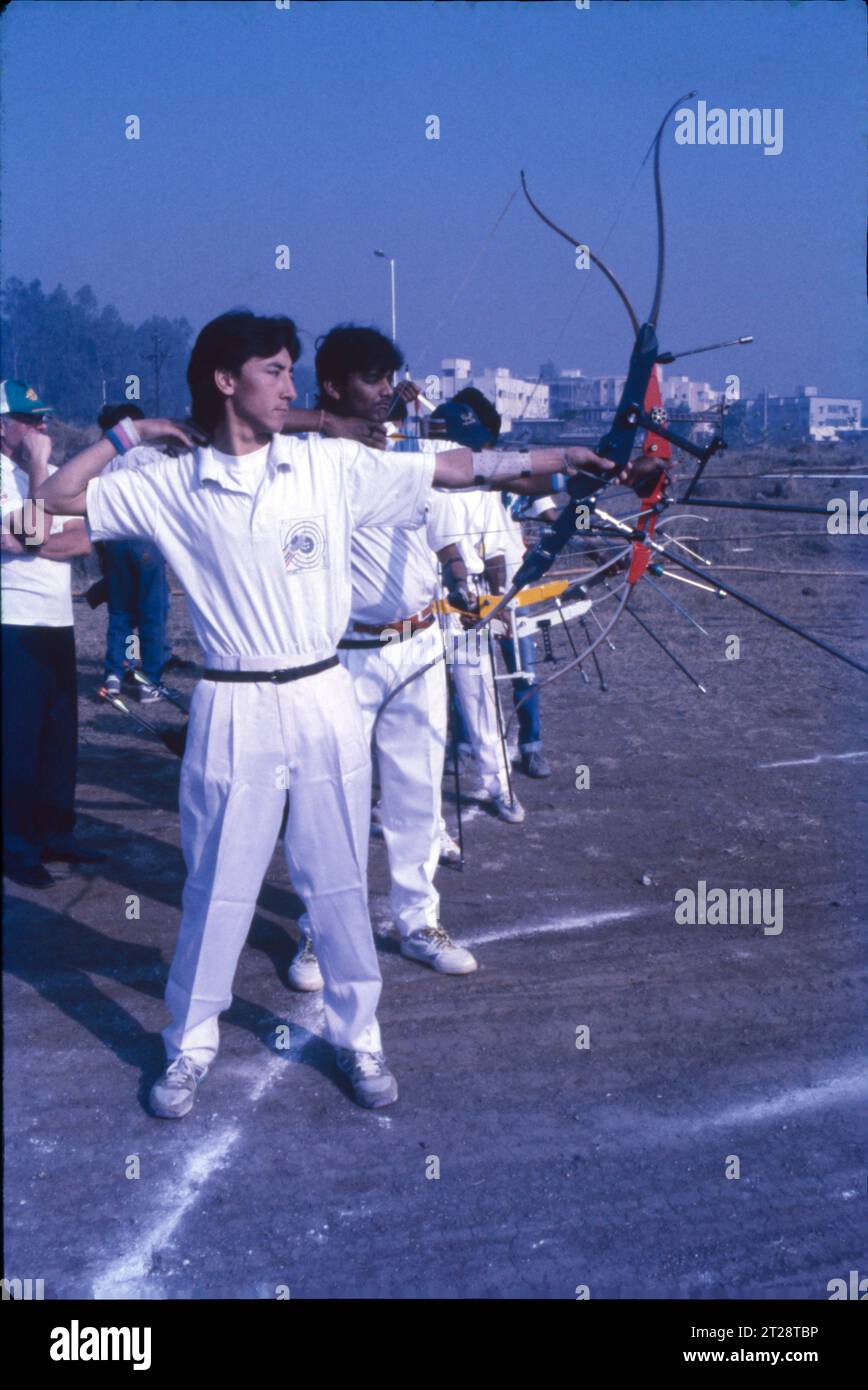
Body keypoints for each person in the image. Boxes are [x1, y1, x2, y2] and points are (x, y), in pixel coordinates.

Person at [35, 310, 609, 1118]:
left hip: (322, 693)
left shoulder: (324, 466)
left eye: (292, 371)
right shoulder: (169, 482)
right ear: (226, 380)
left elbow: (453, 467)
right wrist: (134, 434)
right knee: (215, 887)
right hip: (231, 704)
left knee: (336, 882)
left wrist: (561, 460)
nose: (291, 387)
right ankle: (189, 1044)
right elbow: (50, 506)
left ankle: (359, 1037)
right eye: (275, 370)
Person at [284, 326, 477, 992]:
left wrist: (459, 573)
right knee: (329, 797)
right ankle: (320, 928)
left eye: (391, 378)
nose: (388, 391)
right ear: (333, 386)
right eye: (372, 379)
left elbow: (442, 520)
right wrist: (327, 427)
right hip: (340, 656)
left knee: (417, 794)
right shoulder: (299, 457)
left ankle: (417, 920)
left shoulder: (410, 449)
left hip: (419, 644)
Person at [1, 380, 105, 887]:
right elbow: (29, 533)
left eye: (44, 418)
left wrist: (30, 538)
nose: (42, 427)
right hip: (13, 622)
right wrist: (40, 471)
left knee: (59, 737)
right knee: (16, 742)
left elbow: (84, 538)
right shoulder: (10, 474)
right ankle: (16, 848)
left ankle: (56, 836)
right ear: (2, 425)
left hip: (56, 619)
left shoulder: (49, 477)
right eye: (30, 419)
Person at [95, 403, 171, 701]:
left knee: (120, 614)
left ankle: (114, 675)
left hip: (113, 541)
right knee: (152, 614)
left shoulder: (101, 463)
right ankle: (150, 681)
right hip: (145, 542)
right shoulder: (151, 458)